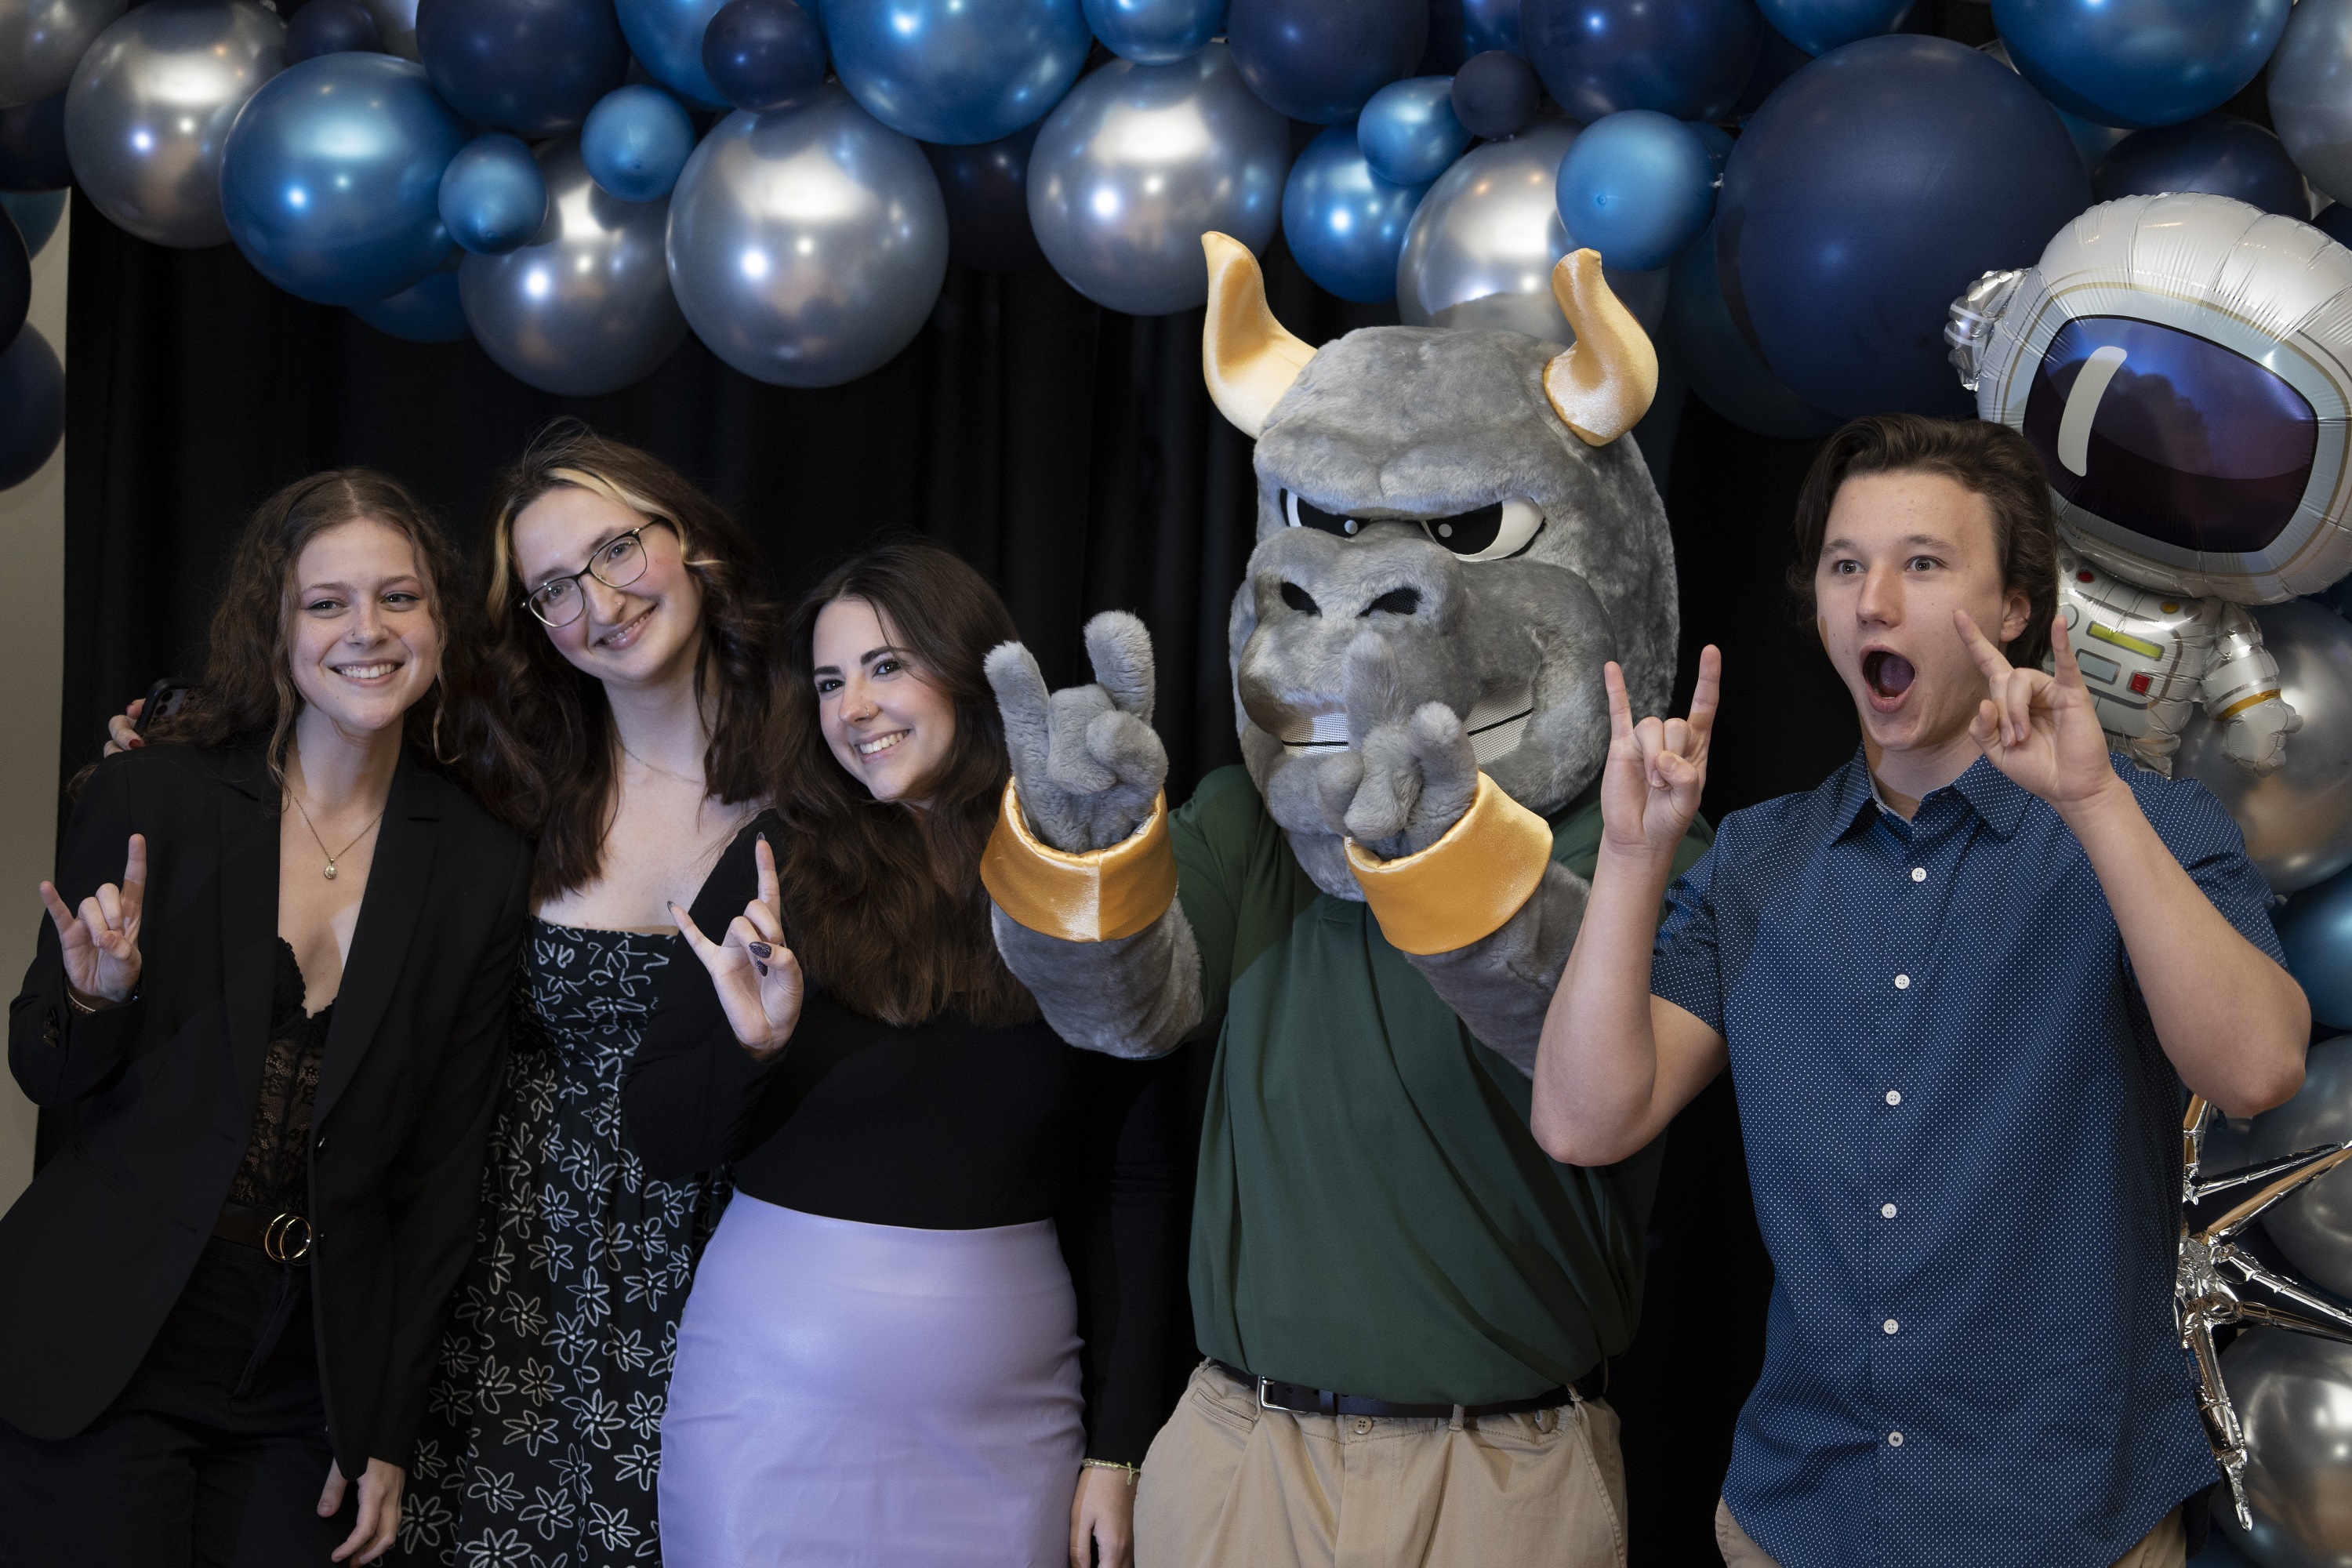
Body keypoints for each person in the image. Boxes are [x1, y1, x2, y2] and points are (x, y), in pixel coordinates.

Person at [1532, 414, 2312, 1567]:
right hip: (1802, 1521)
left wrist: (2094, 805)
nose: (1873, 601)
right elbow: (1584, 1119)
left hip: (2071, 1525)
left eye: (1923, 563)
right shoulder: (1756, 861)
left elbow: (2256, 1069)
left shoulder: (2143, 826)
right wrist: (1638, 860)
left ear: (2012, 610)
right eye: (1847, 565)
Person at [0, 470, 533, 1566]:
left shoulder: (480, 862)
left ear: (439, 620)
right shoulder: (154, 799)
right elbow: (44, 1074)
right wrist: (94, 1000)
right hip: (105, 1344)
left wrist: (388, 1422)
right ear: (277, 627)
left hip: (304, 1377)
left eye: (399, 598)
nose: (367, 631)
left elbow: (442, 1176)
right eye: (326, 602)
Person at [621, 539, 1179, 1568]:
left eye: (886, 667)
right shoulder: (770, 867)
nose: (855, 709)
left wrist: (1122, 1448)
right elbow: (661, 1138)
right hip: (767, 1416)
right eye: (831, 682)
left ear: (973, 667)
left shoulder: (1079, 871)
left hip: (1010, 1432)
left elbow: (1136, 1182)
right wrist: (753, 1046)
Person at [396, 423, 782, 1566]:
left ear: (691, 544)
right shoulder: (509, 778)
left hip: (730, 1267)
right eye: (554, 589)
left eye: (616, 552)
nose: (599, 603)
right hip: (524, 1281)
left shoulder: (824, 769)